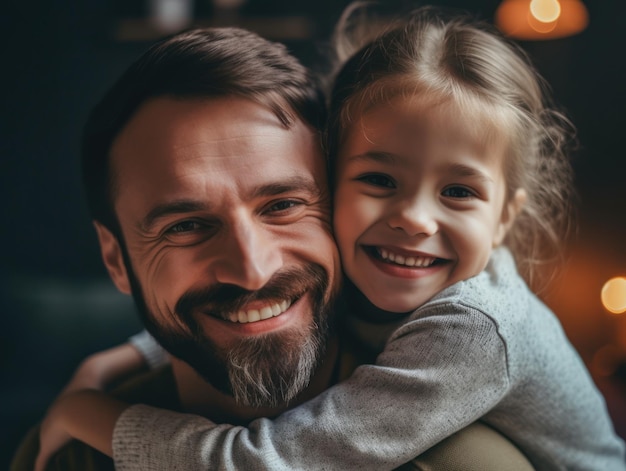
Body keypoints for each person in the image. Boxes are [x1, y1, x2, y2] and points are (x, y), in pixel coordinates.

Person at [26, 5, 626, 471]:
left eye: (283, 204)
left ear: (503, 221)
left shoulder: (470, 337)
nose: (253, 270)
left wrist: (90, 413)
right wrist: (124, 357)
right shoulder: (388, 277)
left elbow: (267, 461)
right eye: (187, 225)